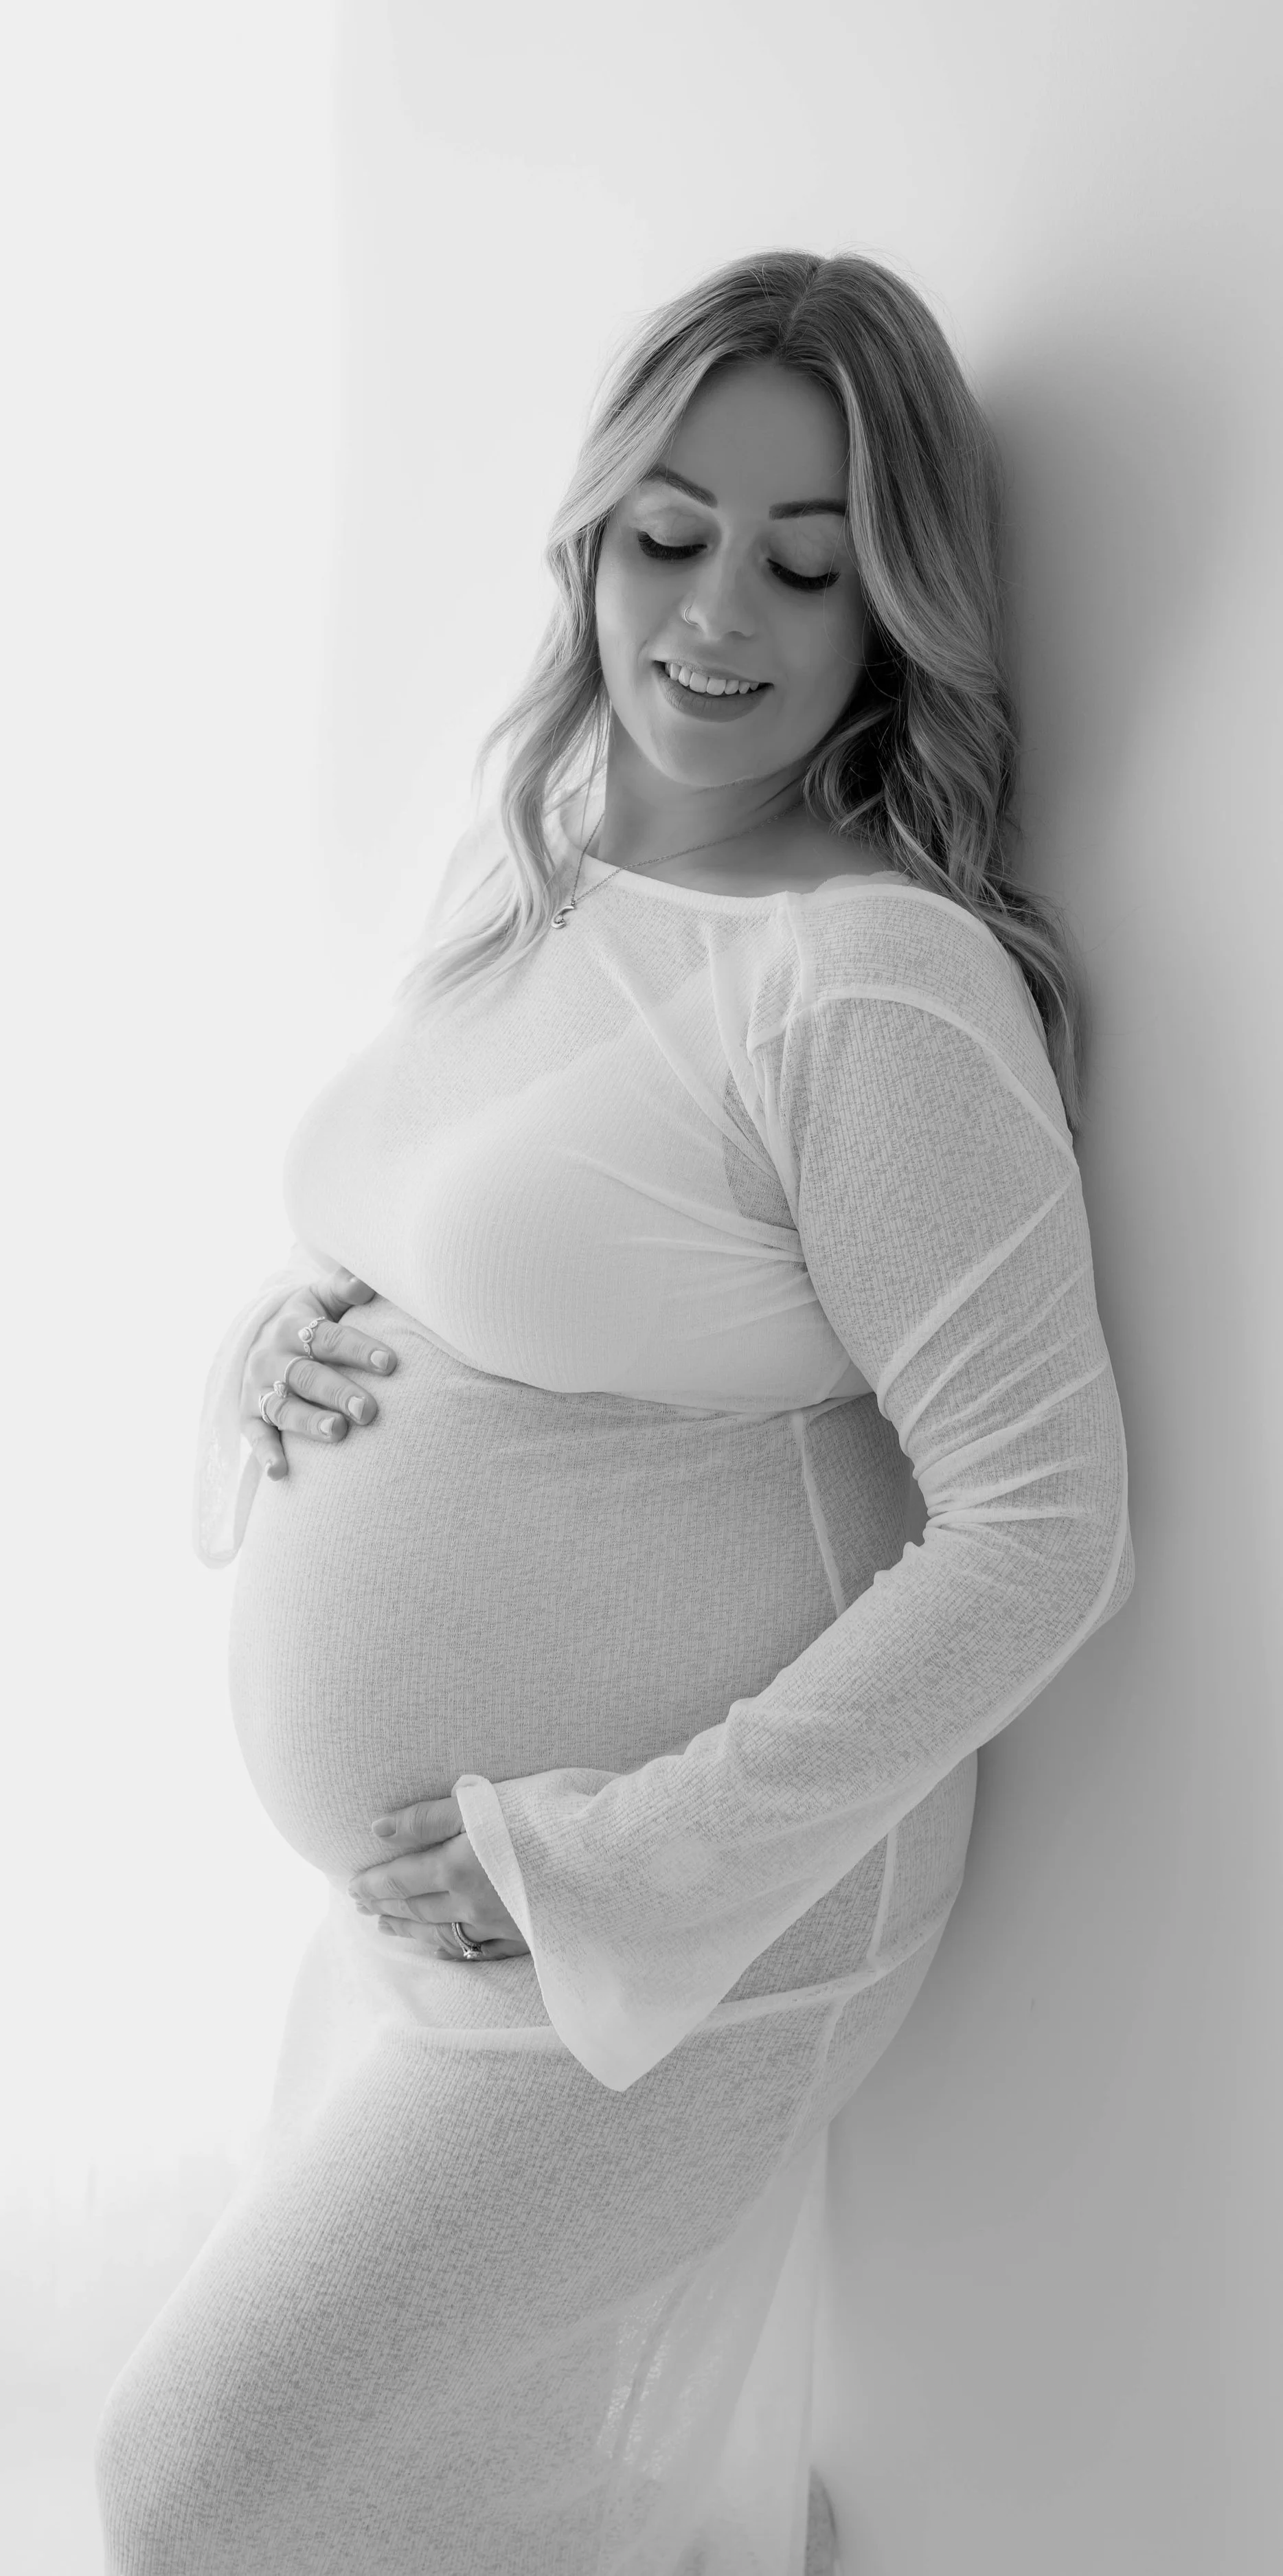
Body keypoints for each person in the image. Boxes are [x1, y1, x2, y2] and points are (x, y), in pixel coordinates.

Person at [95, 249, 1135, 2575]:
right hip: (502, 1897)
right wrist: (284, 1331)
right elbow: (484, 1227)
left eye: (810, 559)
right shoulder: (534, 874)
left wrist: (620, 1859)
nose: (720, 620)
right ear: (588, 534)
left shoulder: (871, 976)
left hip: (696, 1919)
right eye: (672, 532)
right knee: (426, 2492)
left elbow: (1043, 1524)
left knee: (197, 2481)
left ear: (899, 608)